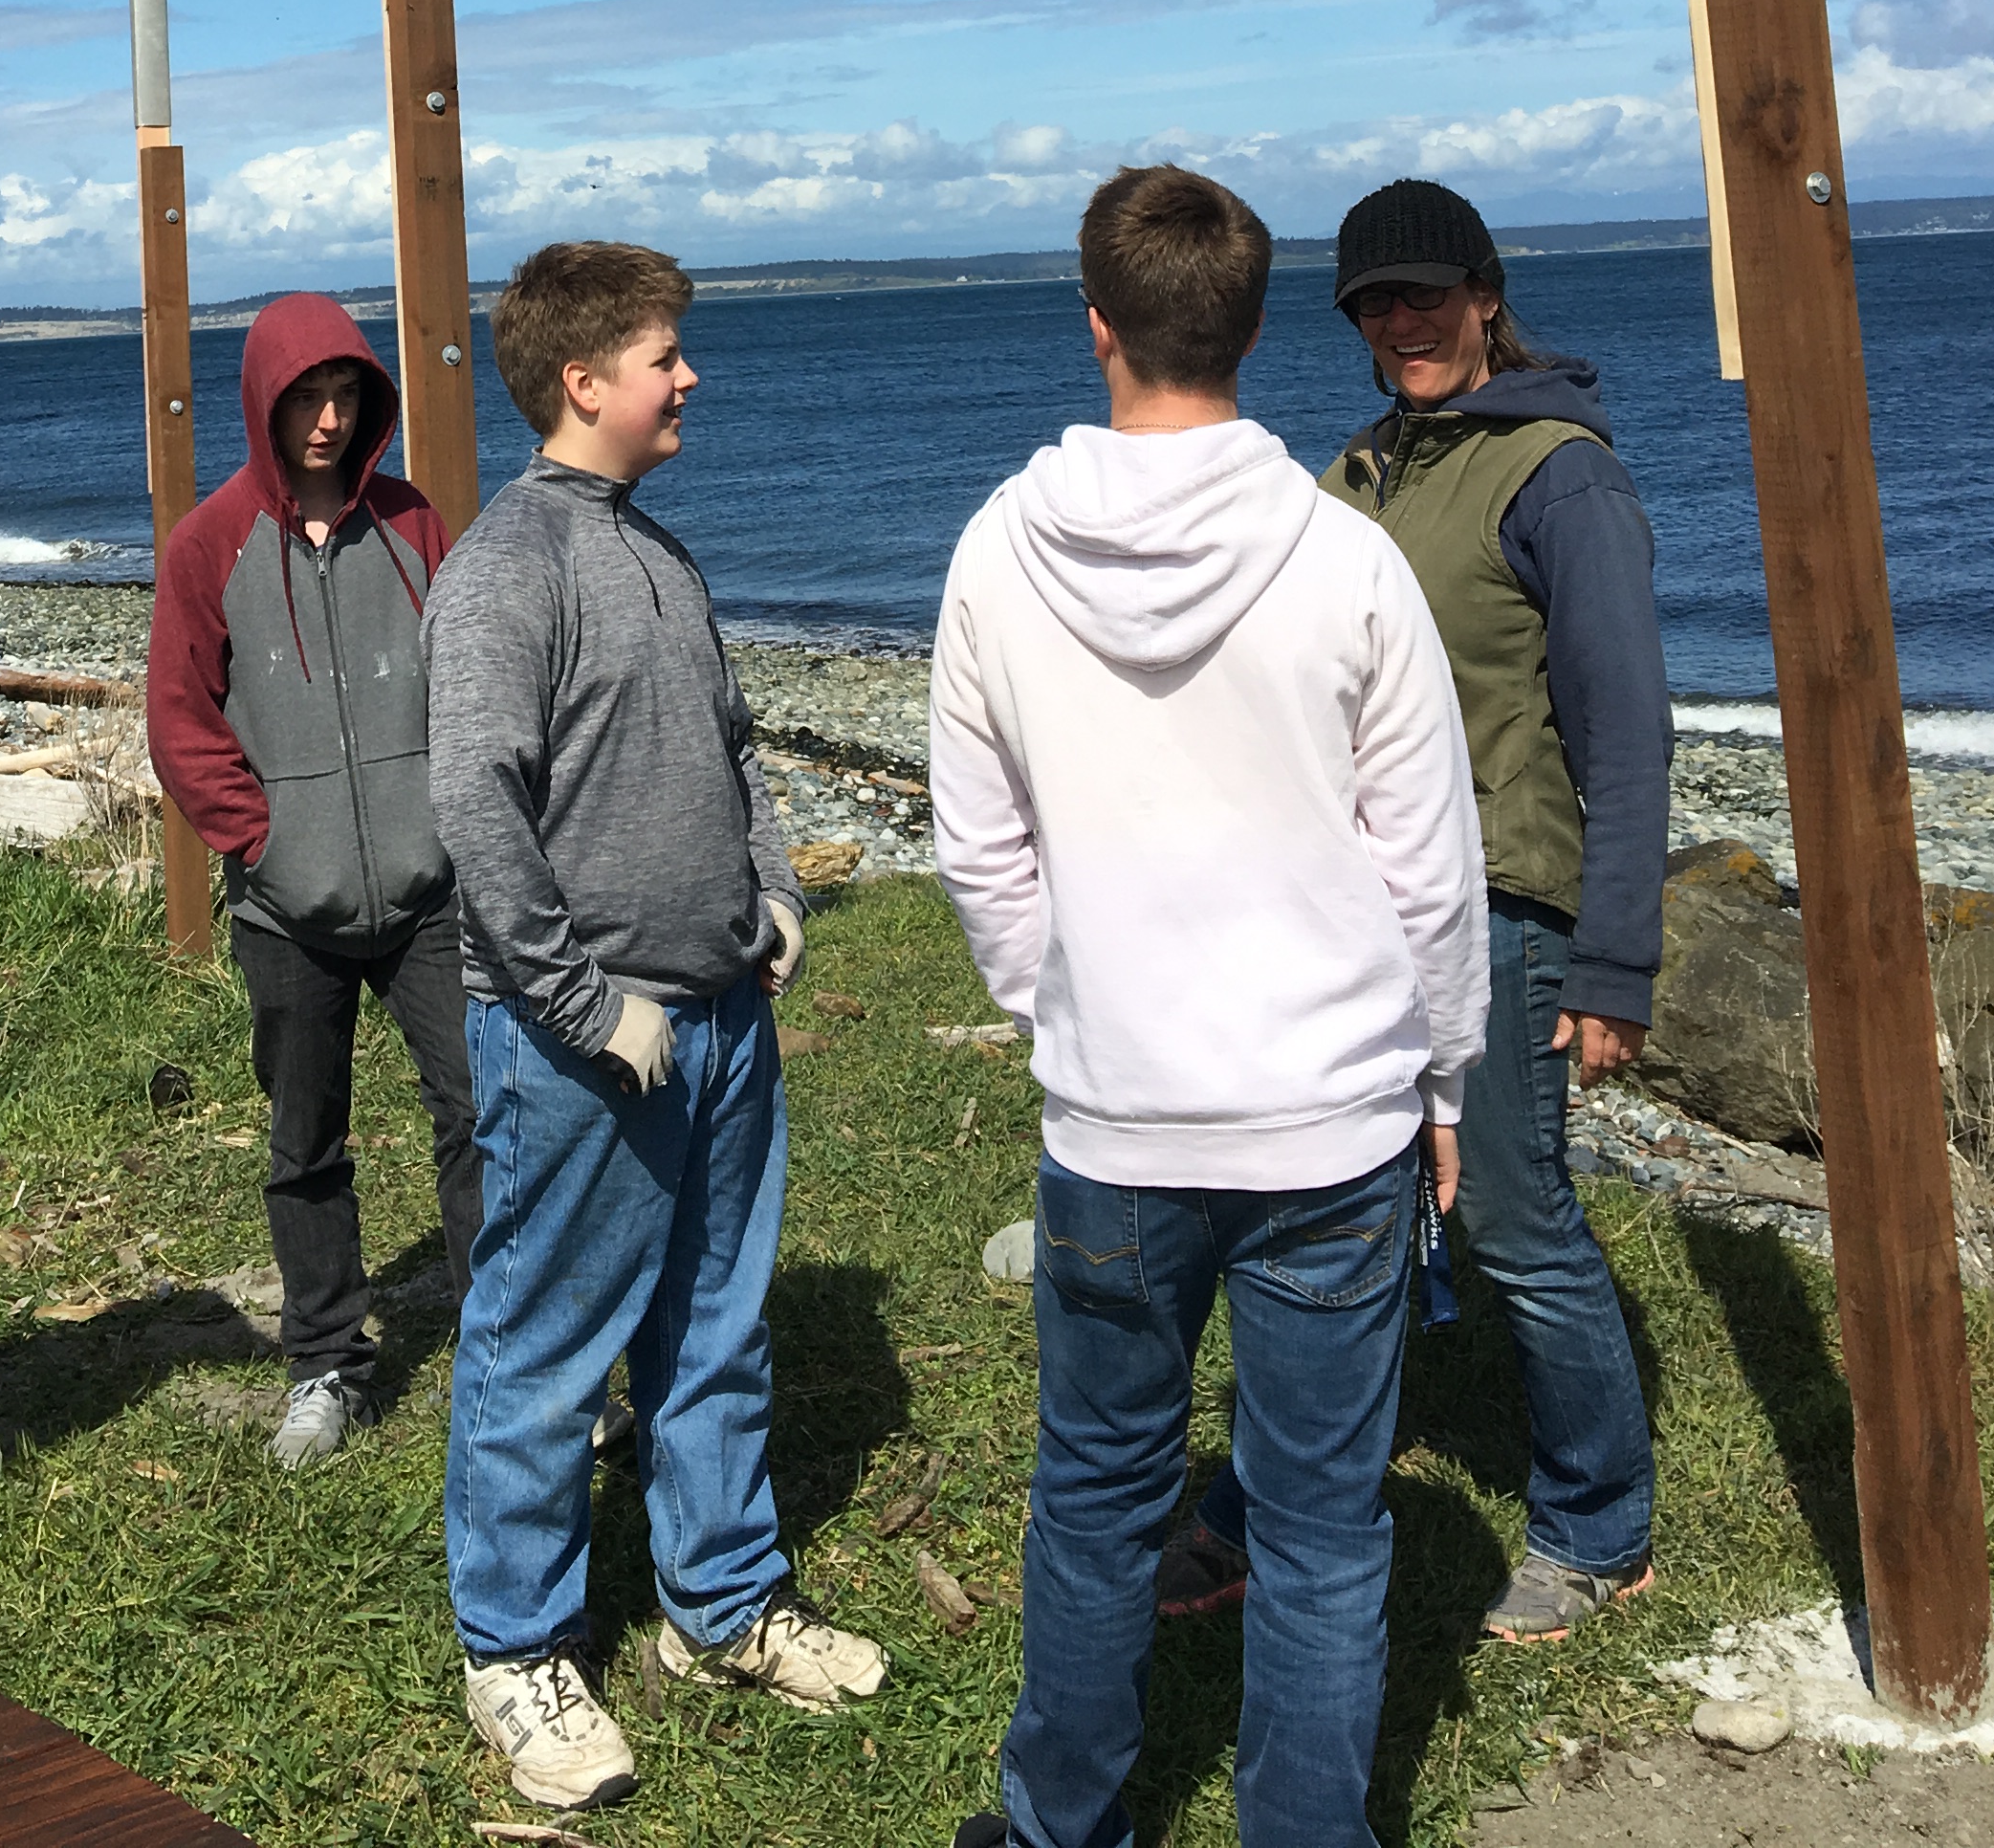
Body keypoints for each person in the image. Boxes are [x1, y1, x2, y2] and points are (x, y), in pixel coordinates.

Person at [931, 165, 1487, 1848]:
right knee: (1319, 1526)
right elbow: (1428, 867)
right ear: (1250, 329)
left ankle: (1059, 1825)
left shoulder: (996, 553)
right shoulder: (1347, 560)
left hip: (1118, 1120)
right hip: (1331, 1118)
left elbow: (978, 847)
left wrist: (1067, 1007)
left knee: (1095, 1492)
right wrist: (1443, 1081)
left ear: (1096, 323)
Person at [1169, 177, 1670, 1644]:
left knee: (1511, 1217)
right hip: (1358, 909)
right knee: (1342, 1210)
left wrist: (1616, 960)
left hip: (1505, 904)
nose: (1401, 323)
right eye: (1373, 304)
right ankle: (1279, 1494)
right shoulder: (1360, 470)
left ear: (1485, 296)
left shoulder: (1558, 474)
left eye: (1424, 295)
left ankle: (1599, 1526)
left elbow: (1627, 731)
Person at [427, 239, 887, 1817]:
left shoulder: (657, 551)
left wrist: (771, 890)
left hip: (720, 1019)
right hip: (581, 1044)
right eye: (662, 356)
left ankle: (721, 1604)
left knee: (715, 1323)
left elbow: (730, 742)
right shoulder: (509, 565)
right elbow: (473, 804)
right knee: (543, 1347)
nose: (687, 376)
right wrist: (578, 1005)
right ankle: (514, 1650)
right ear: (583, 381)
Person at [147, 292, 481, 1468]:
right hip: (289, 911)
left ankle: (507, 1340)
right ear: (265, 405)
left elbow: (470, 675)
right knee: (306, 1143)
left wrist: (457, 816)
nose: (329, 421)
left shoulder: (412, 522)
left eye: (345, 396)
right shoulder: (211, 544)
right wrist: (264, 841)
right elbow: (181, 721)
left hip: (431, 895)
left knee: (480, 1114)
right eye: (306, 400)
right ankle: (327, 1364)